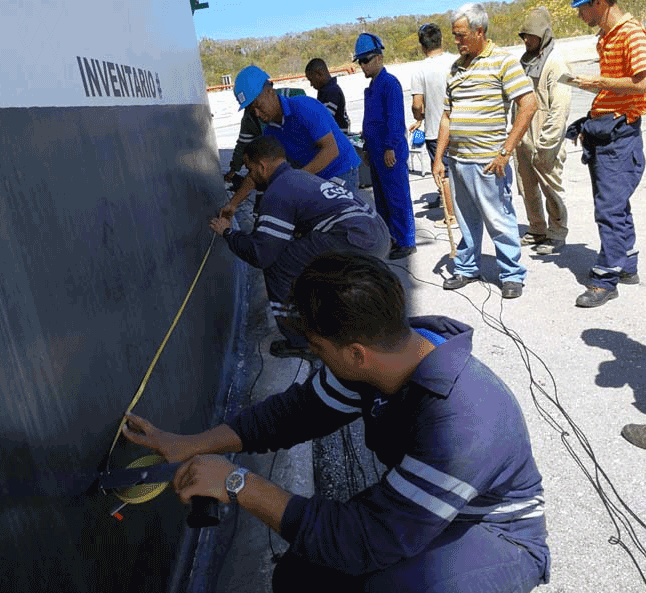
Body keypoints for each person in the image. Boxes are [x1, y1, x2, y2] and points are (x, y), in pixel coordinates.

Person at [121, 252, 550, 593]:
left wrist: (238, 483)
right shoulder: (385, 357)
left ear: (356, 352)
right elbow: (293, 415)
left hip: (495, 532)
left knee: (382, 583)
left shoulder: (462, 422)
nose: (314, 356)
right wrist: (190, 444)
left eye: (317, 347)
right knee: (300, 574)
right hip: (429, 509)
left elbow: (365, 541)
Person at [209, 136, 390, 359]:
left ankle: (302, 340)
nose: (251, 177)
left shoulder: (278, 192)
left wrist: (228, 232)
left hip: (359, 240)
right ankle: (329, 317)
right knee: (299, 252)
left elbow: (261, 254)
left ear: (262, 167)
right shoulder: (300, 177)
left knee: (279, 263)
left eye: (250, 169)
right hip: (378, 234)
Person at [433, 3, 537, 299]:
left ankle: (511, 274)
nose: (457, 41)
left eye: (461, 35)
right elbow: (447, 116)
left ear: (479, 32)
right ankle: (466, 268)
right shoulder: (456, 68)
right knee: (465, 220)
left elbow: (528, 105)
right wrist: (439, 158)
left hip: (490, 162)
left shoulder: (503, 62)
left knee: (499, 219)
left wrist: (505, 151)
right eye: (454, 35)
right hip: (458, 161)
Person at [569, 0, 646, 308]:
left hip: (619, 136)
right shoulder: (606, 37)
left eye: (582, 7)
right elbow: (619, 88)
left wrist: (600, 81)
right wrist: (590, 87)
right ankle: (627, 263)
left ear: (601, 3)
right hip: (607, 128)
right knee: (615, 203)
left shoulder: (630, 33)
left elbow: (645, 82)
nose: (579, 14)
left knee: (609, 208)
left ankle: (606, 278)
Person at [221, 65, 361, 222]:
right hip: (314, 178)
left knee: (343, 225)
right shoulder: (270, 132)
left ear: (270, 92)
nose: (257, 114)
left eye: (258, 106)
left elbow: (331, 150)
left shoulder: (303, 108)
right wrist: (232, 204)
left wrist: (295, 179)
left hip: (341, 171)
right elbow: (256, 174)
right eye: (252, 111)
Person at [514, 8, 572, 256]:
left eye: (531, 36)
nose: (527, 41)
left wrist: (547, 143)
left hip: (545, 140)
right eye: (524, 36)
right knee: (527, 188)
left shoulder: (555, 63)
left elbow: (560, 108)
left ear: (543, 35)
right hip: (523, 139)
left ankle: (557, 232)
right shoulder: (525, 62)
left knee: (551, 189)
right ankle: (537, 227)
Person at [355, 33, 417, 261]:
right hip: (376, 151)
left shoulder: (389, 84)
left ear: (379, 58)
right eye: (360, 61)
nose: (362, 65)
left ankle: (406, 241)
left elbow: (395, 119)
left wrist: (390, 147)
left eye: (365, 60)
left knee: (397, 197)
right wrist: (368, 148)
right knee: (381, 199)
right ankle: (390, 237)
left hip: (389, 151)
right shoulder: (372, 87)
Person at [410, 23, 458, 225]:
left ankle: (452, 215)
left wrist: (419, 117)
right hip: (461, 126)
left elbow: (417, 104)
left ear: (422, 46)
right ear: (441, 40)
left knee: (443, 172)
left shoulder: (420, 70)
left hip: (435, 131)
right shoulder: (456, 61)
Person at [304, 58, 351, 134]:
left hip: (338, 136)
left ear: (319, 74)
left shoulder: (332, 91)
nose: (311, 84)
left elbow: (325, 119)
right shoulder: (325, 90)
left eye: (311, 80)